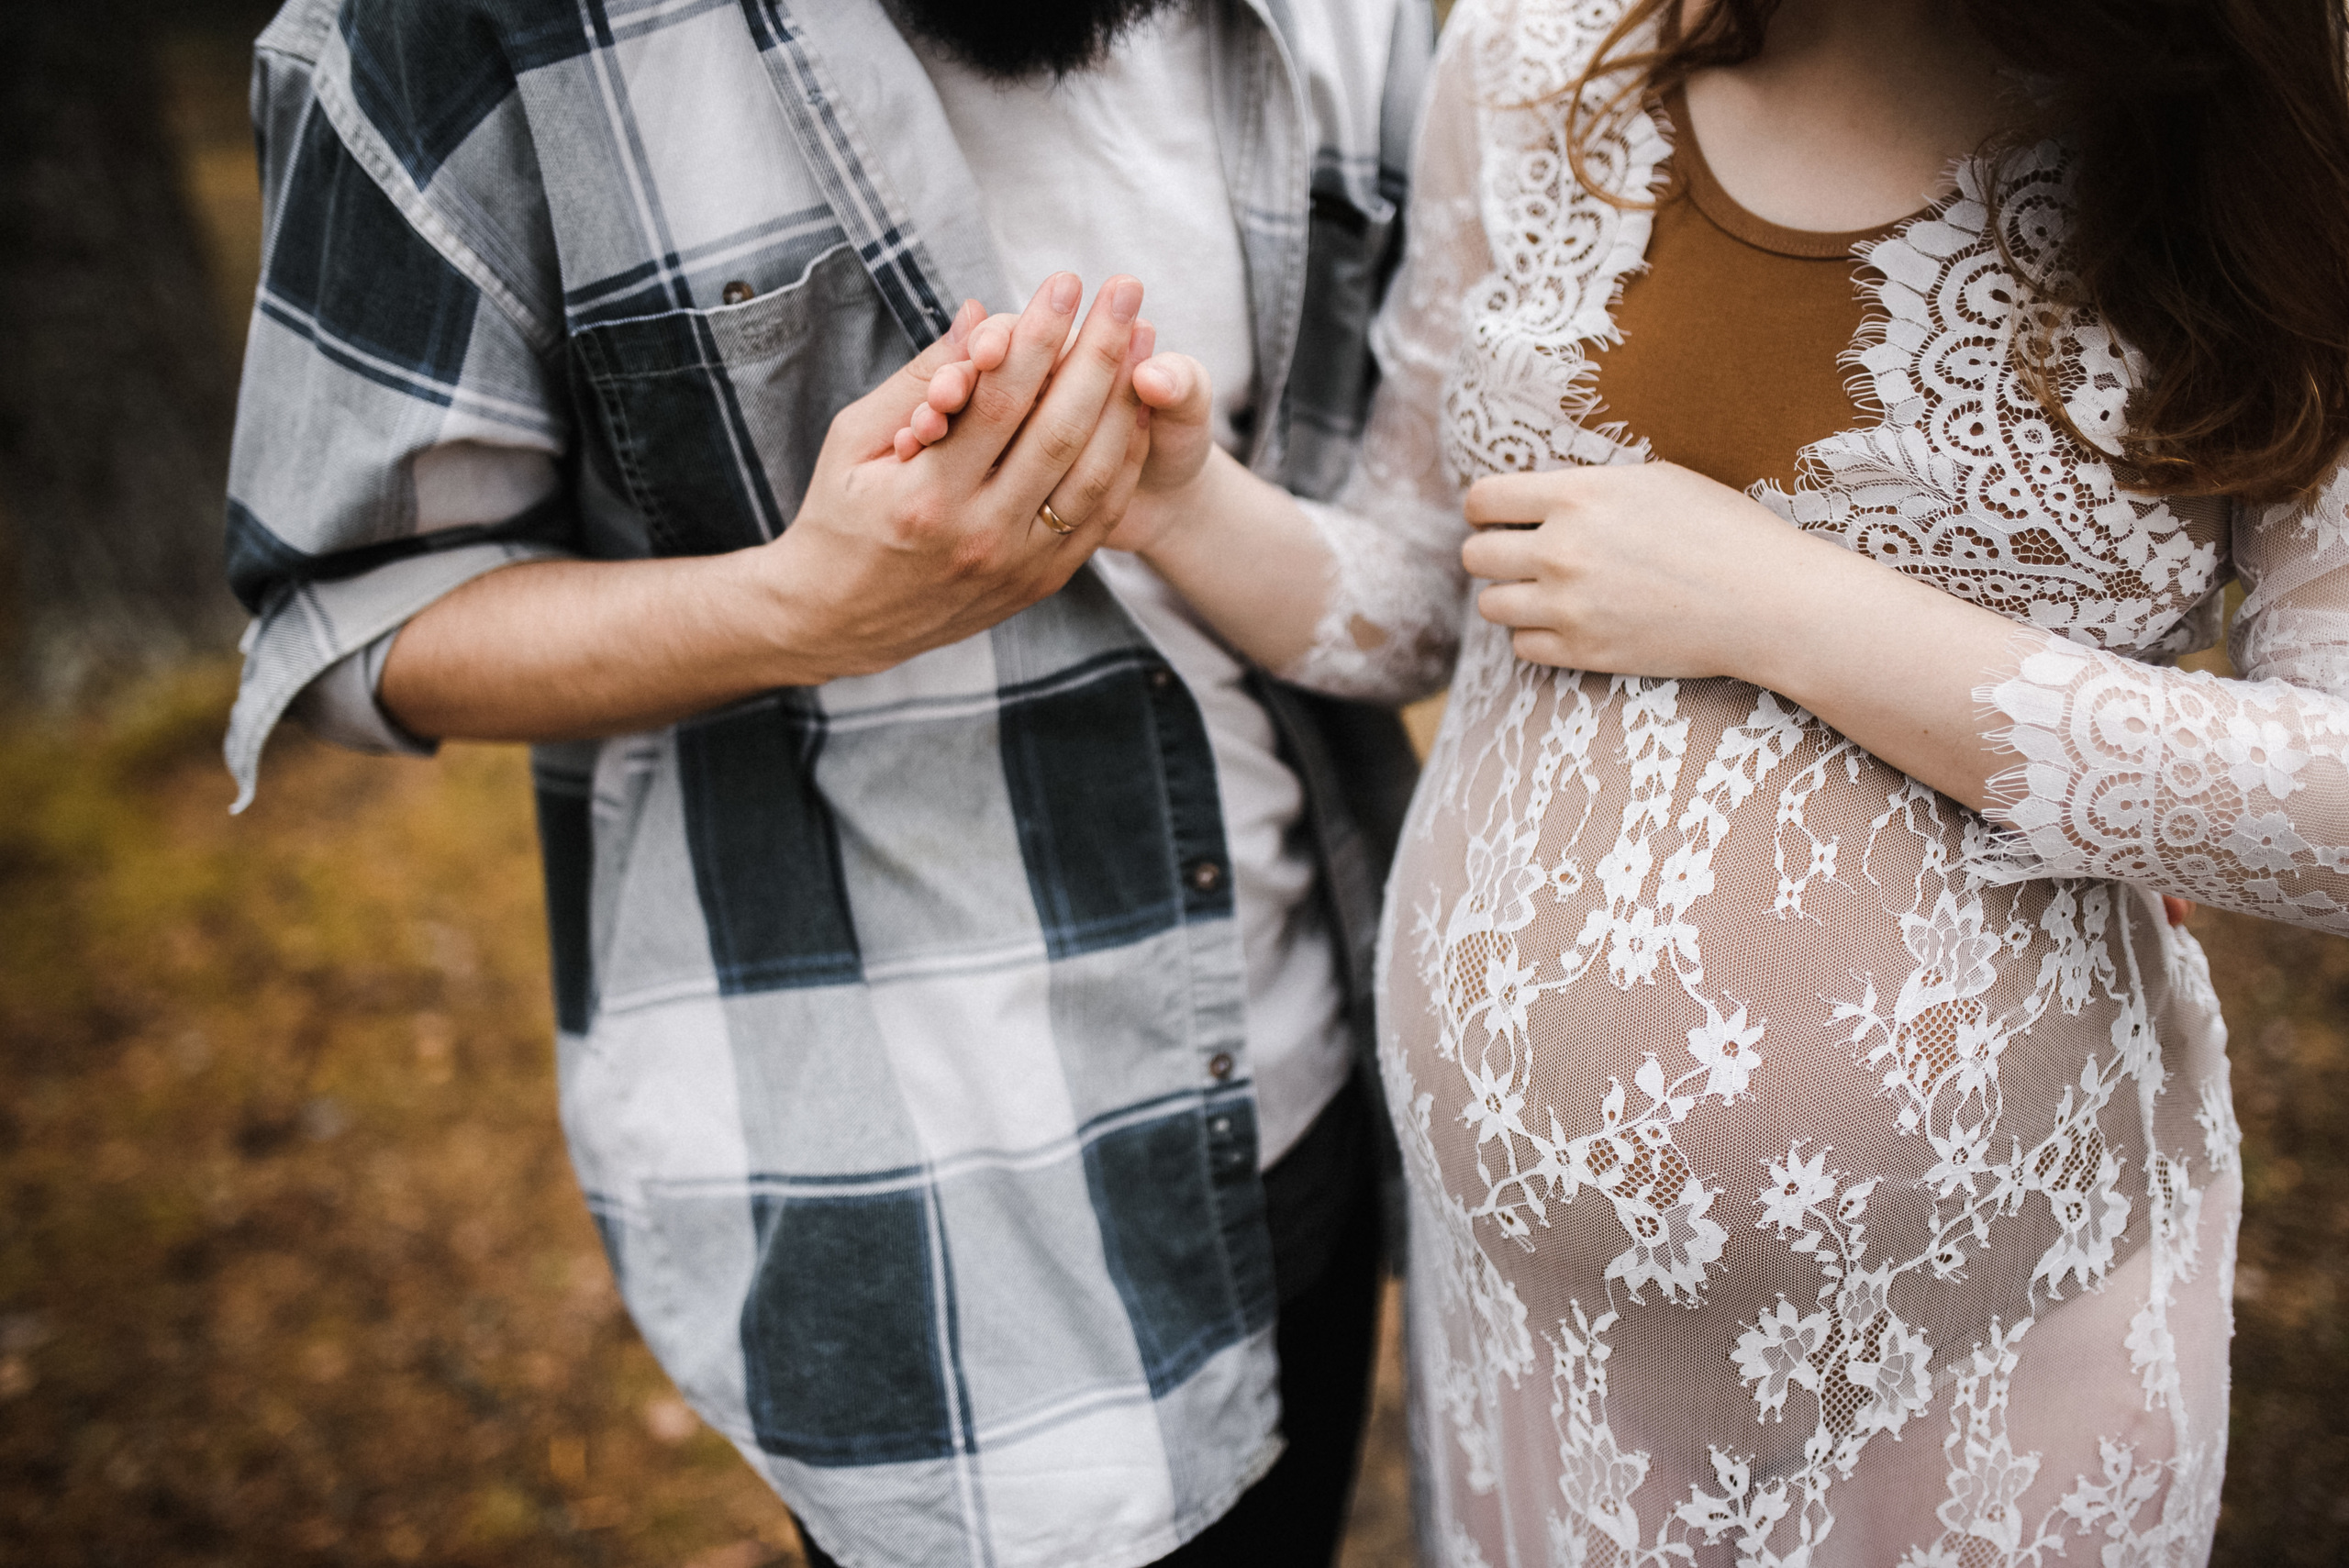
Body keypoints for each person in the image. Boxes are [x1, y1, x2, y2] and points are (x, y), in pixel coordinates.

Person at [930, 0, 2349, 1559]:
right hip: (1541, 1360)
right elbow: (1421, 592)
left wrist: (1783, 607)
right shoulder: (1535, 53)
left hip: (1988, 1340)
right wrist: (1180, 497)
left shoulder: (2276, 134)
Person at [217, 1, 1433, 1563]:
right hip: (917, 1201)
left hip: (1310, 1067)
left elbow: (1414, 535)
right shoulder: (448, 30)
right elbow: (351, 615)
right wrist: (798, 608)